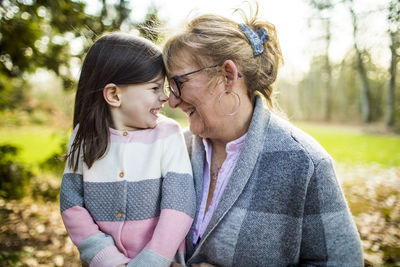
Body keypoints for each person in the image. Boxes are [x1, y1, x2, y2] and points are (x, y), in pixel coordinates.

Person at [162, 5, 364, 267]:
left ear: (227, 75)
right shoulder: (174, 147)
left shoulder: (305, 163)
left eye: (179, 83)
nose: (171, 100)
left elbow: (341, 262)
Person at [60, 32, 196, 267]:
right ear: (114, 94)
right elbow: (71, 203)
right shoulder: (84, 136)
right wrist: (107, 258)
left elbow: (180, 205)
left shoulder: (168, 135)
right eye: (154, 88)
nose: (164, 97)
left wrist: (153, 261)